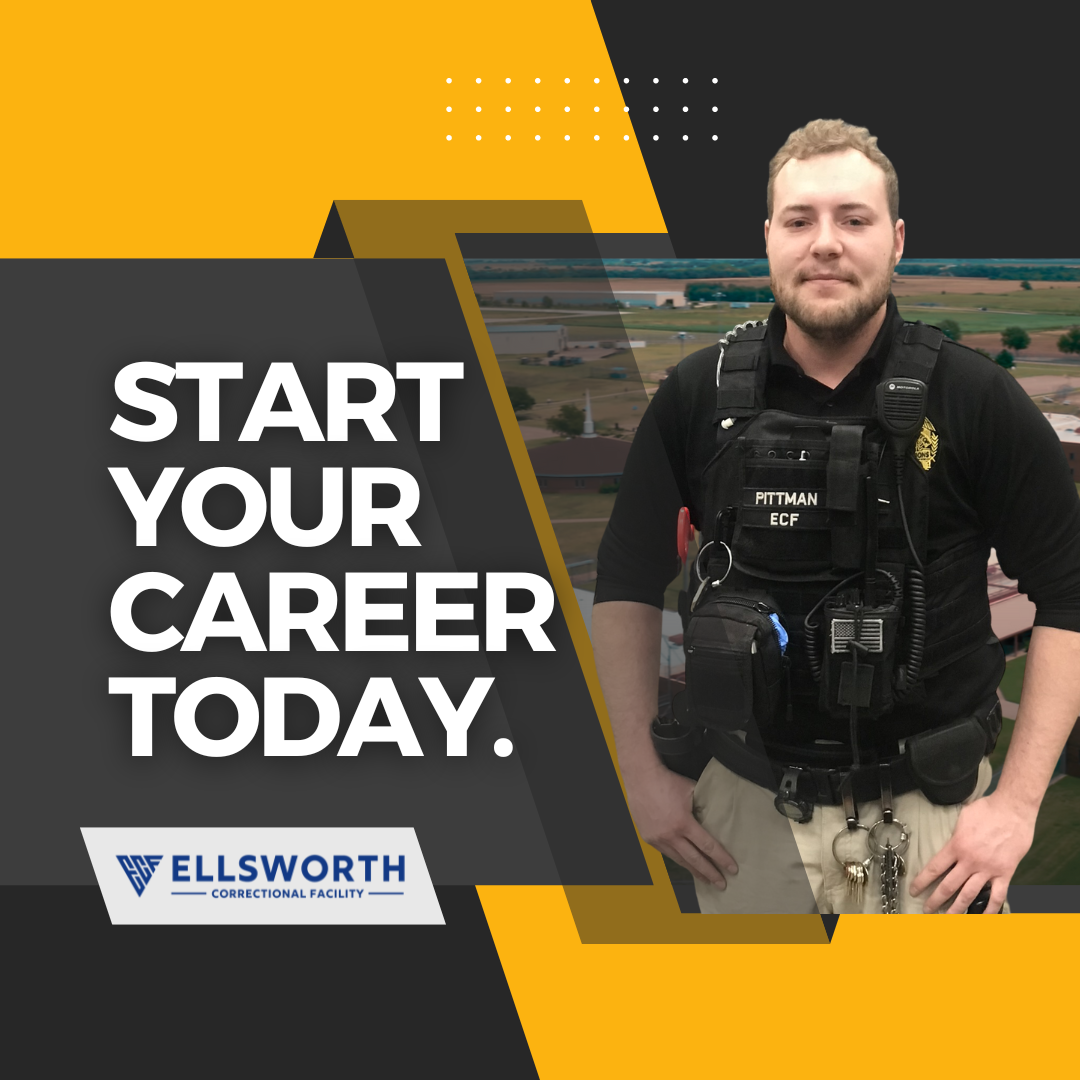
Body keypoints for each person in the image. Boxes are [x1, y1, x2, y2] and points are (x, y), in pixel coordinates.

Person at [591, 119, 1080, 915]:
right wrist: (640, 774)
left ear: (895, 240)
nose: (826, 243)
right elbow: (625, 580)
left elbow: (1069, 593)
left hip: (929, 829)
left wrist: (1020, 805)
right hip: (743, 823)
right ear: (769, 240)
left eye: (853, 219)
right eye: (799, 220)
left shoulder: (975, 399)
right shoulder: (697, 396)